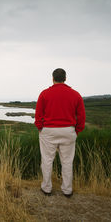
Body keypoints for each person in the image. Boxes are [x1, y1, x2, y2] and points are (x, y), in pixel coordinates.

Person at [34, 68, 85, 197]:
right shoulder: (75, 94)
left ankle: (46, 188)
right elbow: (81, 116)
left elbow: (38, 114)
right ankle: (67, 190)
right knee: (67, 161)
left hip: (49, 131)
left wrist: (40, 128)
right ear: (65, 78)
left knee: (47, 160)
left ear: (53, 78)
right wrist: (77, 130)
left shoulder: (44, 94)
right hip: (68, 130)